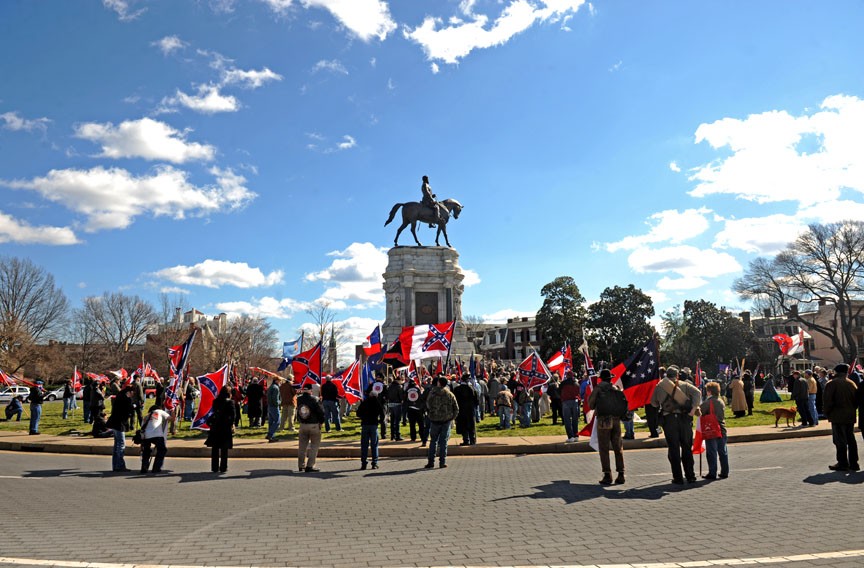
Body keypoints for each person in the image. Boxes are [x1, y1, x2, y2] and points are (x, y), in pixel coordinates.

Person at [650, 366, 702, 484]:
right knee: (686, 448)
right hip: (684, 419)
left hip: (669, 420)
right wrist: (693, 410)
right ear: (677, 375)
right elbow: (698, 393)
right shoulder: (685, 385)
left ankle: (677, 477)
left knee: (673, 449)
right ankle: (690, 476)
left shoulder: (659, 386)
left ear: (666, 375)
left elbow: (653, 403)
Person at [588, 369, 625, 485]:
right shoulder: (616, 388)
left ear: (601, 378)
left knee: (604, 448)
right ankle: (621, 474)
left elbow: (591, 405)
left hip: (604, 420)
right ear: (610, 378)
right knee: (618, 447)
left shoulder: (598, 389)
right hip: (616, 420)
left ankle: (607, 474)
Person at [823, 364, 859, 471]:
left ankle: (842, 463)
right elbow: (856, 400)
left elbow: (828, 401)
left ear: (836, 372)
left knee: (840, 440)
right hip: (850, 415)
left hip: (837, 415)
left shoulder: (832, 384)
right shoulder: (851, 383)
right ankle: (854, 463)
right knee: (851, 439)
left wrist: (827, 412)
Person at [425, 375, 459, 469]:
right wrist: (452, 418)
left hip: (435, 420)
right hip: (446, 420)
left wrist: (431, 413)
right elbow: (456, 408)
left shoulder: (432, 393)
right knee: (444, 442)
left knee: (433, 441)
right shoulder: (450, 394)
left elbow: (428, 404)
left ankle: (431, 462)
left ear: (439, 383)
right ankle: (442, 462)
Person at [700, 381, 729, 480]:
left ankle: (712, 473)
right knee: (723, 452)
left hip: (712, 429)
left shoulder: (709, 402)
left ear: (709, 392)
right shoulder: (721, 400)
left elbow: (700, 411)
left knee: (711, 452)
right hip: (722, 428)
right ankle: (725, 471)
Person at [205, 386, 236, 473]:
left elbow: (215, 412)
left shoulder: (215, 401)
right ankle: (223, 467)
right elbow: (233, 415)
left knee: (215, 448)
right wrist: (232, 424)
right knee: (224, 449)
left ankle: (214, 467)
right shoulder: (230, 402)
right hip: (225, 427)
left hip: (216, 426)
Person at [296, 384, 325, 472]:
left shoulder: (299, 399)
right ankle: (310, 465)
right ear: (310, 390)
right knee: (314, 446)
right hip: (314, 424)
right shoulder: (315, 399)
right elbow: (321, 412)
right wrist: (321, 422)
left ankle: (301, 465)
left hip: (303, 424)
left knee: (302, 446)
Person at [355, 384, 386, 470]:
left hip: (365, 425)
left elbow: (358, 413)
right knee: (374, 445)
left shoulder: (364, 402)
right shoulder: (377, 403)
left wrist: (363, 418)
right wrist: (379, 421)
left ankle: (363, 463)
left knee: (364, 445)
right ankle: (374, 463)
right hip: (374, 425)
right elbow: (382, 414)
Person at [106, 386, 134, 472]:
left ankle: (115, 465)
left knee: (116, 445)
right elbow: (128, 411)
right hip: (119, 424)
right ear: (129, 392)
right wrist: (134, 406)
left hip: (115, 423)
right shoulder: (126, 399)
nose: (133, 395)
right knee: (121, 445)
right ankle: (120, 465)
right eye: (132, 393)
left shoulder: (119, 397)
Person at [140, 404, 170, 474]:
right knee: (162, 450)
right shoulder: (159, 411)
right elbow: (171, 418)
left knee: (146, 451)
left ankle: (144, 468)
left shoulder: (146, 416)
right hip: (157, 434)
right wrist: (172, 411)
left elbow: (142, 427)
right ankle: (156, 468)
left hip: (146, 435)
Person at [454, 375, 479, 446]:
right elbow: (476, 401)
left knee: (463, 425)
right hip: (470, 410)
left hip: (461, 410)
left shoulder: (457, 389)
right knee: (471, 425)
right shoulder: (472, 389)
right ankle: (472, 440)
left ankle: (466, 440)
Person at [560, 371, 580, 442]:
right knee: (575, 419)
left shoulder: (563, 383)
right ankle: (576, 435)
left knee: (567, 420)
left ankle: (570, 436)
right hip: (575, 401)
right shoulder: (577, 383)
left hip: (566, 402)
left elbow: (559, 391)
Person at [266, 376, 282, 442]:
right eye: (279, 381)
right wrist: (279, 402)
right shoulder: (276, 388)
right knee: (277, 421)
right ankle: (270, 434)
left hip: (269, 406)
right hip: (274, 406)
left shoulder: (271, 387)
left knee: (271, 422)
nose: (280, 382)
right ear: (276, 381)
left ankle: (271, 437)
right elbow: (275, 399)